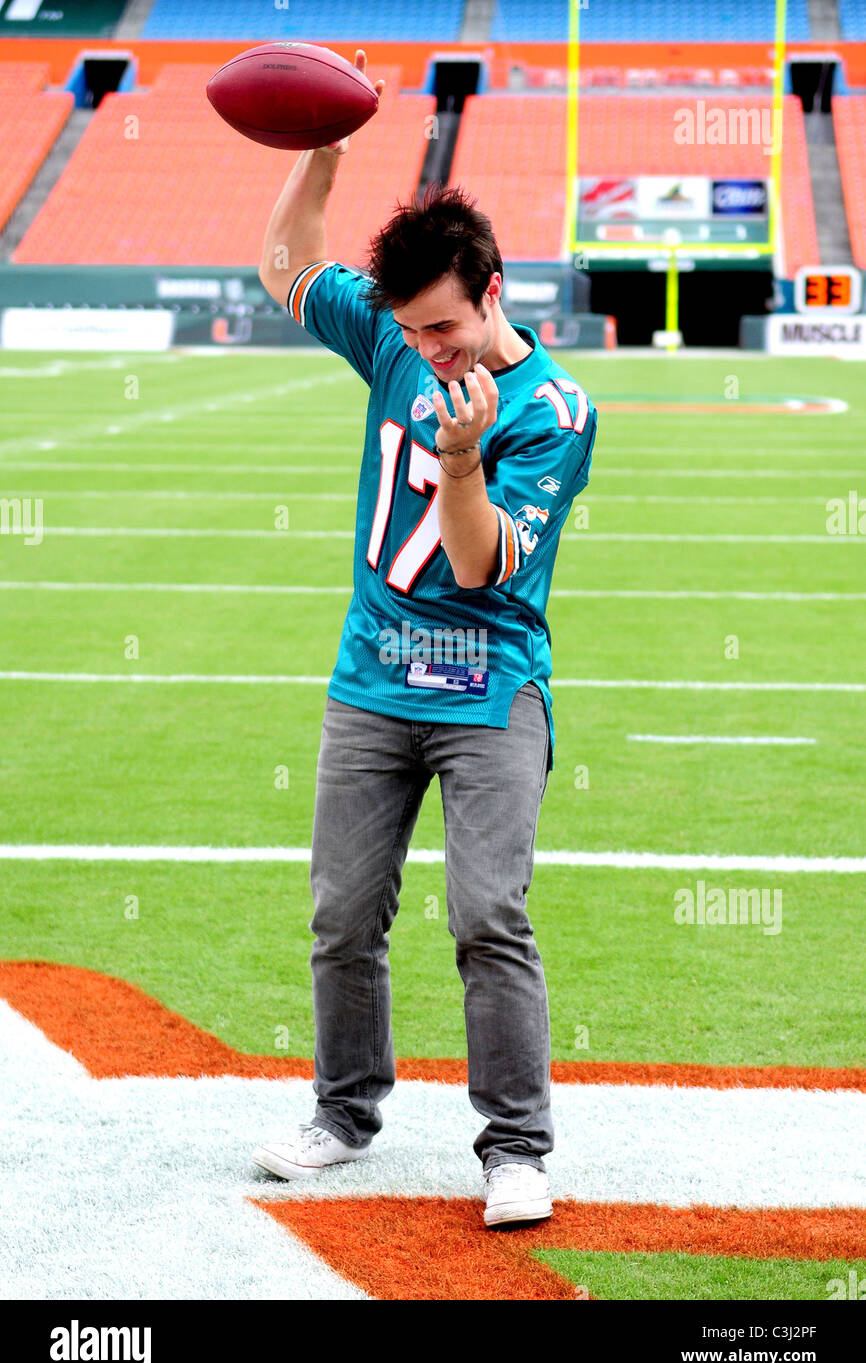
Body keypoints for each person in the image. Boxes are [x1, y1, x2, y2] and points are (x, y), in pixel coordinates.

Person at [252, 50, 597, 1228]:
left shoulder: (552, 411)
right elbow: (285, 264)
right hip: (370, 680)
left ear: (493, 289)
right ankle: (343, 1112)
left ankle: (514, 1147)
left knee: (485, 914)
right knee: (343, 911)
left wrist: (459, 461)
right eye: (413, 330)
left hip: (488, 686)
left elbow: (471, 561)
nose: (430, 350)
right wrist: (327, 145)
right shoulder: (395, 340)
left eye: (445, 326)